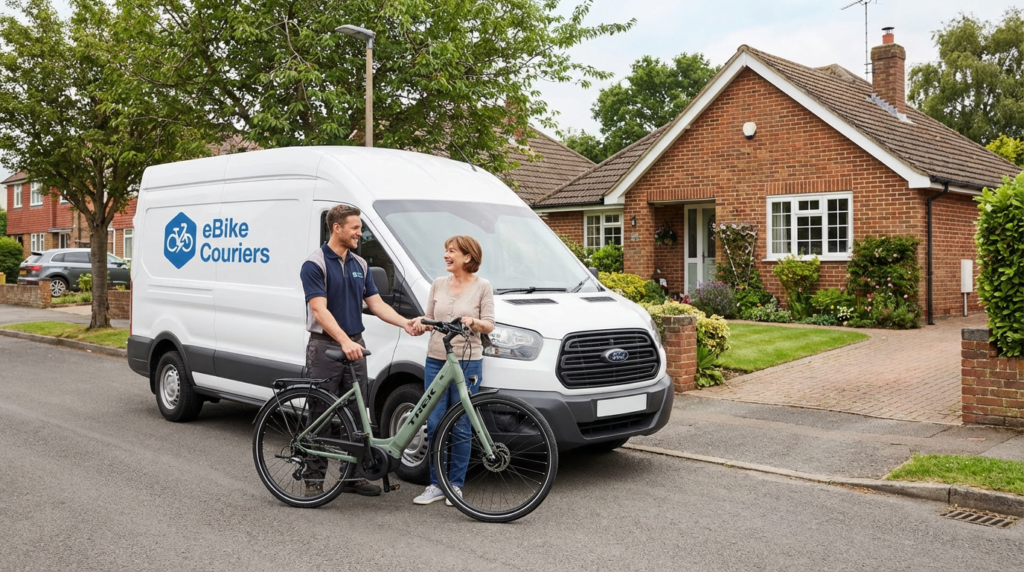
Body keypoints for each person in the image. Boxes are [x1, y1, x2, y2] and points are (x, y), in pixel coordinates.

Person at [300, 204, 419, 496]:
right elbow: (319, 310)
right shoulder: (315, 264)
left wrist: (406, 323)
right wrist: (344, 341)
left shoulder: (360, 264)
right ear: (336, 228)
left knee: (357, 414)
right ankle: (313, 480)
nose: (360, 232)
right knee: (322, 414)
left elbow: (376, 304)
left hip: (355, 345)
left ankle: (352, 477)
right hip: (326, 346)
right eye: (355, 227)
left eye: (359, 227)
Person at [409, 235, 495, 505]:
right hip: (436, 359)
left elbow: (490, 325)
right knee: (434, 424)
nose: (446, 255)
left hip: (467, 361)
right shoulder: (437, 284)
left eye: (452, 251)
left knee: (460, 425)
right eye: (446, 251)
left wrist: (474, 322)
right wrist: (422, 324)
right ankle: (436, 484)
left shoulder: (483, 287)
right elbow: (431, 319)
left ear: (467, 257)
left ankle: (455, 485)